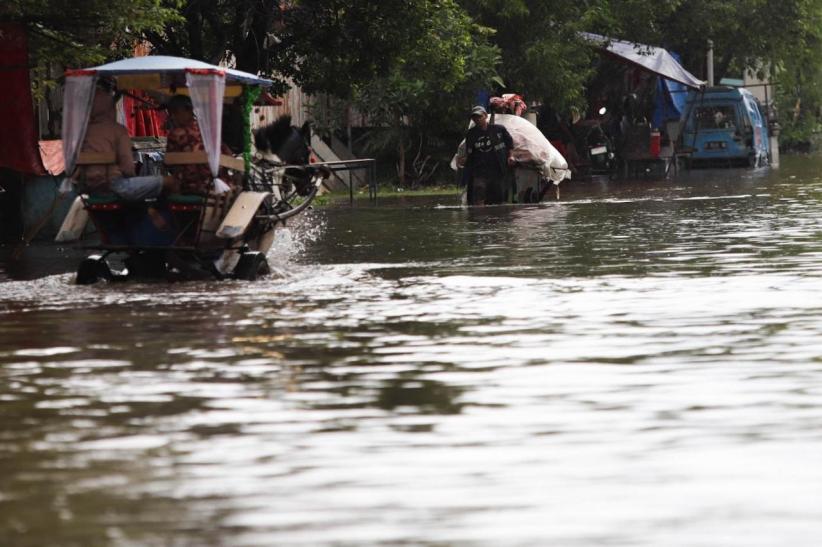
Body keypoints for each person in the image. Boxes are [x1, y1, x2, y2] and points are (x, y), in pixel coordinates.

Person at [76, 87, 176, 199]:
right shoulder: (118, 130)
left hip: (88, 187)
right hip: (116, 186)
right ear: (110, 109)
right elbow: (128, 168)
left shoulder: (82, 132)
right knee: (168, 181)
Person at [165, 94, 235, 195]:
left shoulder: (176, 134)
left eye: (175, 112)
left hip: (192, 186)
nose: (173, 117)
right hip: (221, 183)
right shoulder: (209, 130)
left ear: (188, 111)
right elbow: (228, 154)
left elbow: (169, 163)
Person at [457, 105, 515, 205]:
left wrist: (511, 156)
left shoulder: (498, 129)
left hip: (497, 170)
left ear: (485, 116)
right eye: (475, 117)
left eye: (479, 116)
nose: (477, 119)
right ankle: (479, 213)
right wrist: (464, 160)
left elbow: (509, 144)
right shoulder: (471, 134)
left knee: (498, 198)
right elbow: (469, 151)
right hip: (479, 171)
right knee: (479, 196)